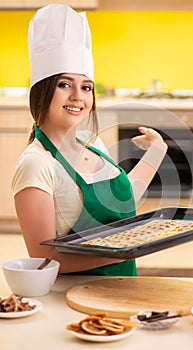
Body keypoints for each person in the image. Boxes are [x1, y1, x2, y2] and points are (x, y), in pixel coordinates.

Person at [12, 4, 167, 275]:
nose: (78, 97)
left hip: (122, 289)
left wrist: (157, 152)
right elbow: (43, 257)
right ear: (42, 91)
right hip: (75, 298)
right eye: (64, 84)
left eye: (86, 87)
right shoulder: (35, 164)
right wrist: (128, 250)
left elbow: (121, 200)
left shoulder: (91, 143)